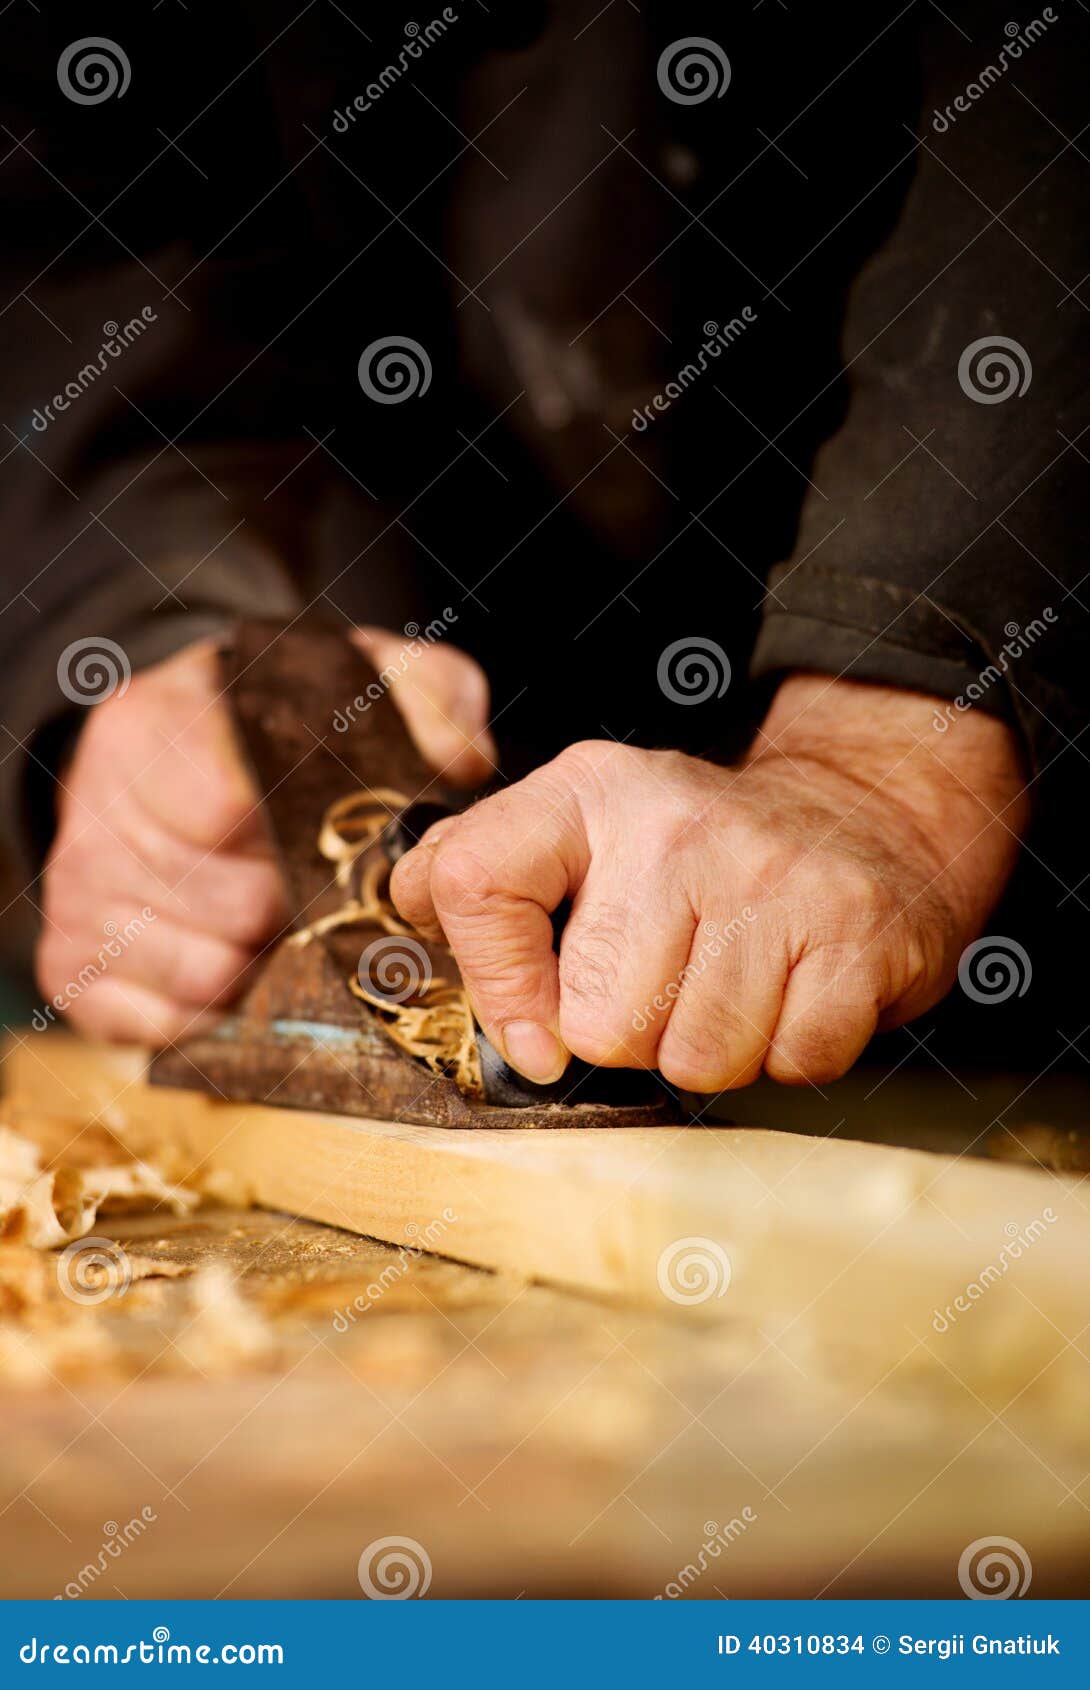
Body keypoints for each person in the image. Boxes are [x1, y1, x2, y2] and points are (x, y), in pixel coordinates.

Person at [1, 4, 1085, 1089]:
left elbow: (1048, 125)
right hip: (433, 601)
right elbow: (100, 256)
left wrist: (897, 717)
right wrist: (149, 651)